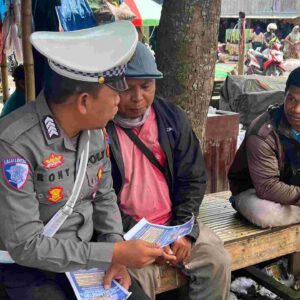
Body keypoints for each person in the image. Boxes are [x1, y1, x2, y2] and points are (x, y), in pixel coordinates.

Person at [0, 21, 174, 300]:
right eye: (115, 92)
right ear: (83, 102)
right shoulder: (14, 144)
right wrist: (113, 252)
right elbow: (26, 246)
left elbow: (104, 197)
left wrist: (115, 251)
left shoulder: (95, 132)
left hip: (90, 258)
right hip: (28, 269)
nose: (121, 100)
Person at [106, 42, 231, 300]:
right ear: (110, 87)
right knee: (133, 283)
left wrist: (184, 230)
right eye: (127, 88)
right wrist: (141, 237)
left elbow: (193, 178)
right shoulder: (100, 127)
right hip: (127, 232)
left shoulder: (172, 118)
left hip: (174, 223)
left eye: (146, 86)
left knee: (216, 260)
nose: (138, 97)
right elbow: (99, 196)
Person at [228, 66, 300, 229]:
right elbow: (267, 187)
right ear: (284, 95)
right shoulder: (262, 132)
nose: (296, 109)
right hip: (256, 191)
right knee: (266, 214)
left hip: (293, 189)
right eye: (291, 99)